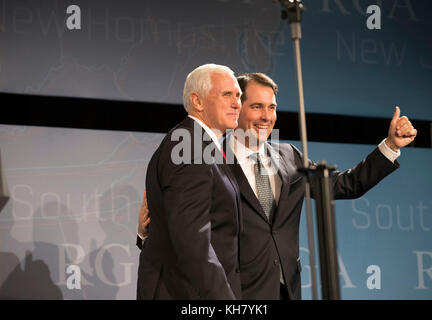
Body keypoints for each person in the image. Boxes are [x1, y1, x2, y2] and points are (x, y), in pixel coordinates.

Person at [137, 72, 417, 300]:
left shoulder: (289, 155)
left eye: (271, 107)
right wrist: (144, 235)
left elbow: (343, 185)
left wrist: (390, 146)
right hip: (234, 293)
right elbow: (187, 235)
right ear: (237, 109)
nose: (266, 116)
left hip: (286, 290)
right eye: (256, 106)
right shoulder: (207, 158)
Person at [136, 64, 243, 300]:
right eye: (227, 94)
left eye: (238, 96)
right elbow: (192, 241)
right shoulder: (190, 148)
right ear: (198, 101)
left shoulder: (199, 144)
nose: (237, 103)